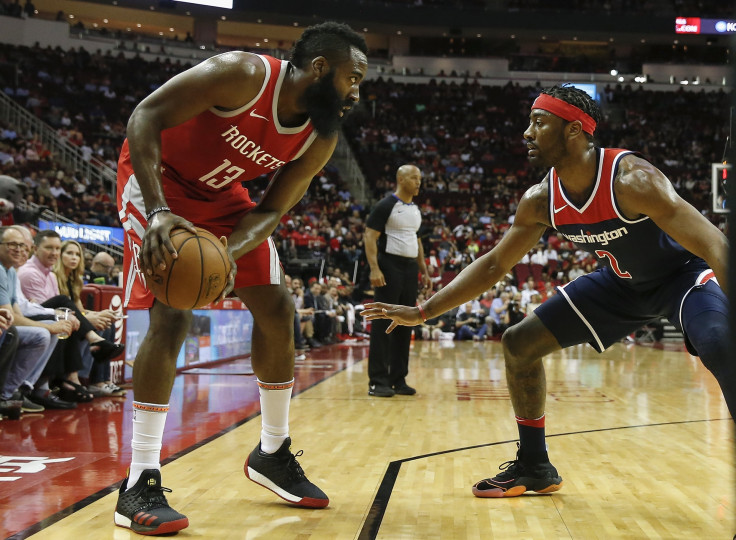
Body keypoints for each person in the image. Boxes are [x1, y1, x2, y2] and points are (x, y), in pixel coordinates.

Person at [362, 85, 730, 499]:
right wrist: (424, 311)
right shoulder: (541, 199)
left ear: (573, 130)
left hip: (680, 277)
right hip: (619, 284)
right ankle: (535, 465)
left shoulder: (633, 180)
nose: (526, 132)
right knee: (519, 343)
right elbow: (495, 264)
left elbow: (716, 244)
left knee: (719, 341)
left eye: (539, 122)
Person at [115, 21, 367, 534]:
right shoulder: (243, 75)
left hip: (225, 202)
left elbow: (273, 208)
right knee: (173, 311)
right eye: (353, 77)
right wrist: (160, 210)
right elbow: (144, 117)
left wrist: (226, 252)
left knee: (277, 307)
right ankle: (139, 479)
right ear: (320, 69)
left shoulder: (320, 135)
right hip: (156, 180)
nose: (356, 92)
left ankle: (272, 452)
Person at [364, 164, 430, 397]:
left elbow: (417, 240)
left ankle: (398, 378)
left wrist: (424, 270)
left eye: (419, 178)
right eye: (414, 178)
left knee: (406, 322)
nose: (418, 182)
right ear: (401, 179)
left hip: (410, 269)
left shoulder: (415, 210)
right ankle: (377, 381)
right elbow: (369, 236)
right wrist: (374, 268)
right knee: (383, 323)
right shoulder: (386, 205)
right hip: (389, 266)